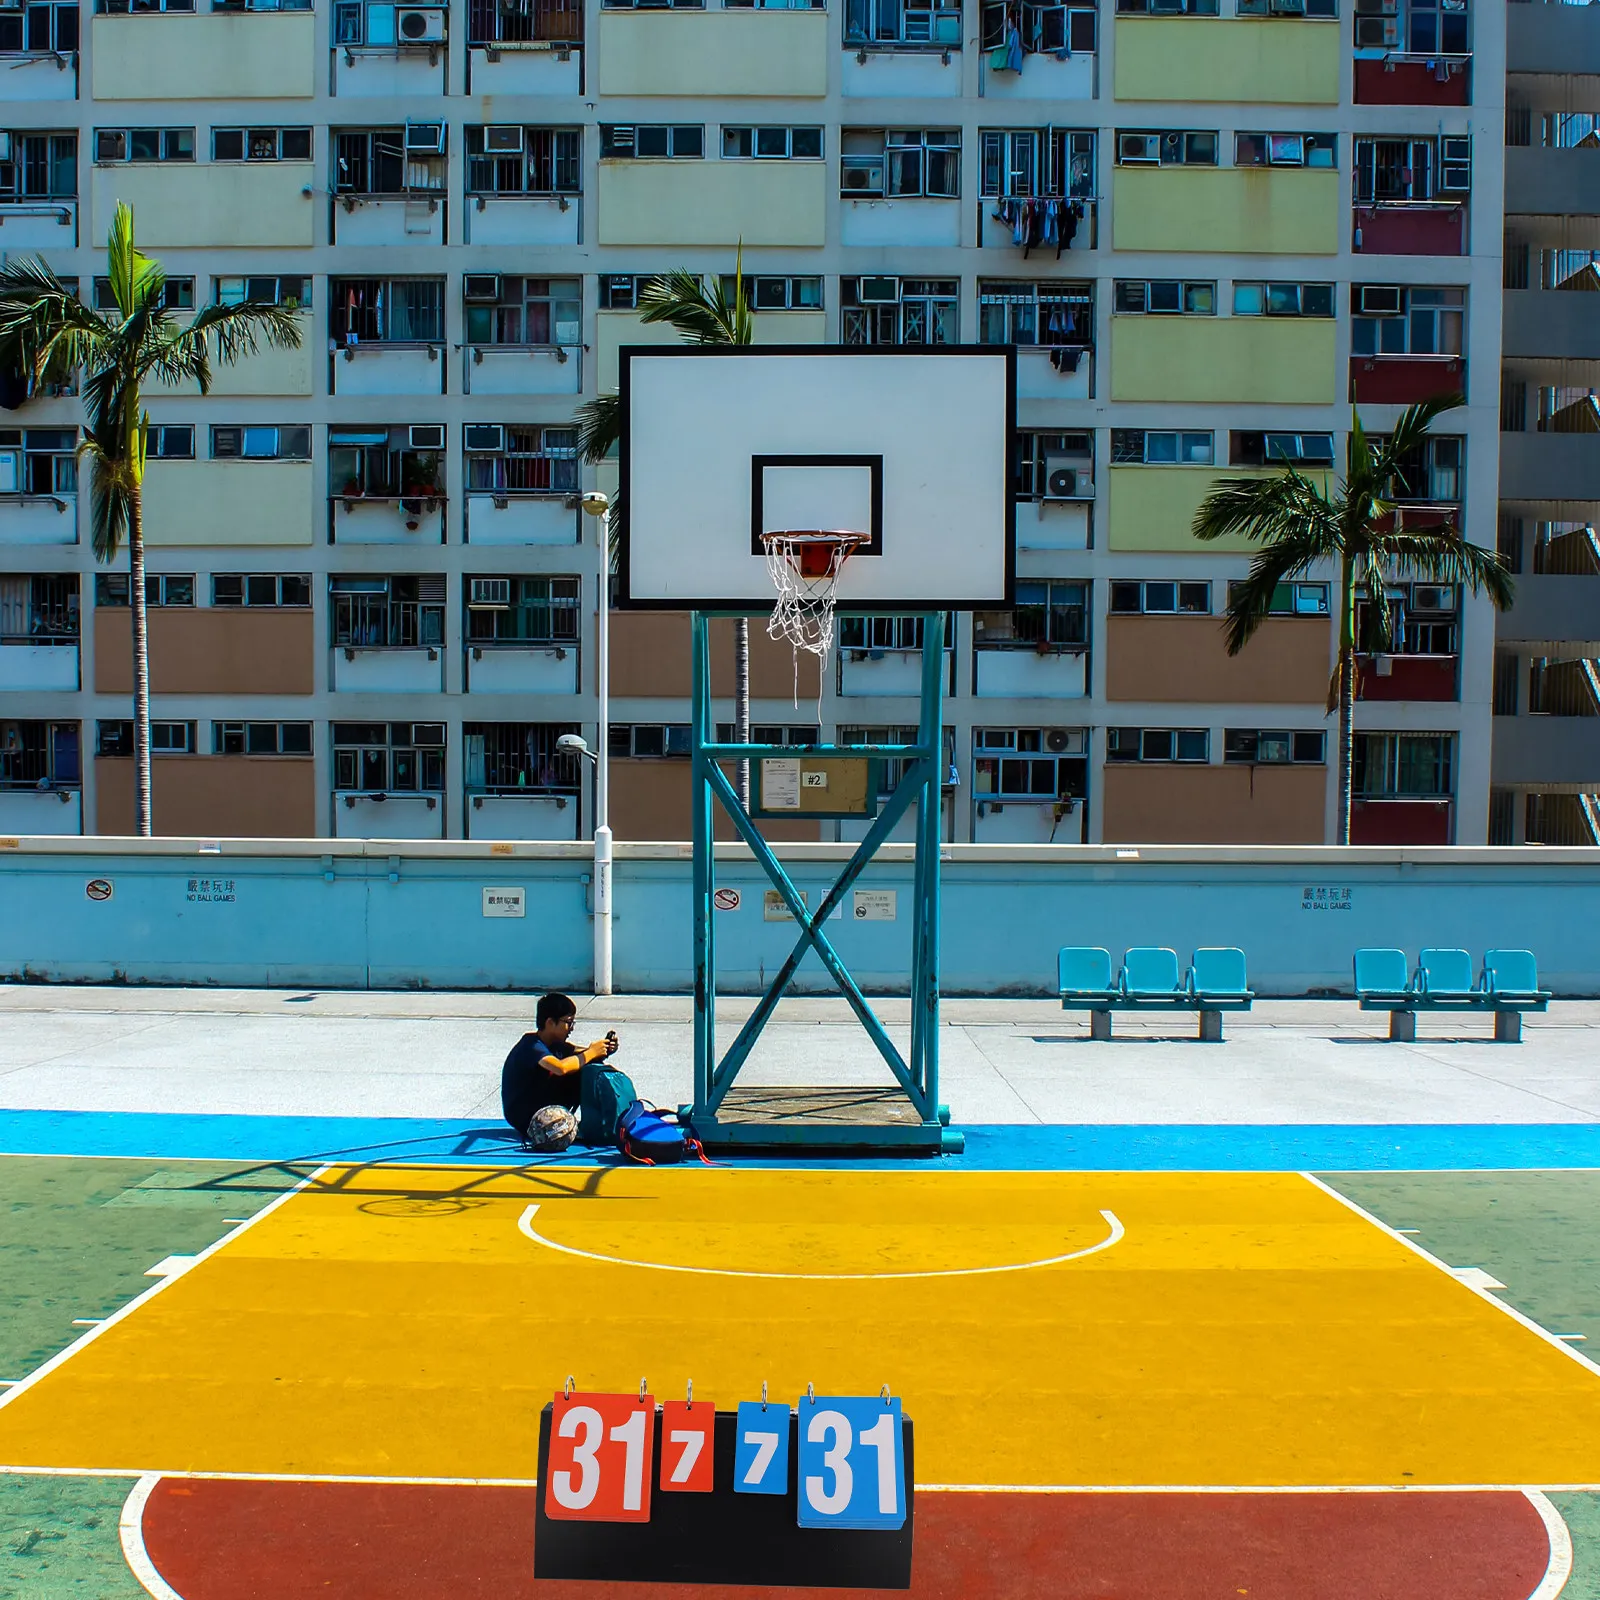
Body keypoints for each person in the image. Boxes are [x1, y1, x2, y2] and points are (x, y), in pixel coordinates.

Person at [501, 993, 618, 1150]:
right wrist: (591, 1053)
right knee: (578, 1067)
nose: (571, 1028)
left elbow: (582, 1054)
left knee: (586, 1066)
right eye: (568, 1022)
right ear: (550, 1022)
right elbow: (560, 1068)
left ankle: (599, 1125)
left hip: (539, 1102)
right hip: (523, 1115)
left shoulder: (556, 1045)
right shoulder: (531, 1046)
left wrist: (603, 1050)